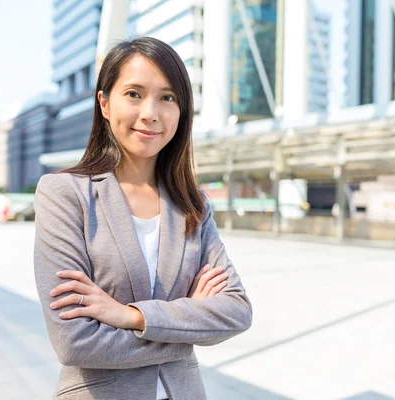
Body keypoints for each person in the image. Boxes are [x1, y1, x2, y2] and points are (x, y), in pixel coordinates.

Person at [33, 37, 252, 400]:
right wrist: (187, 324)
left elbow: (237, 312)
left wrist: (132, 316)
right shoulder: (65, 194)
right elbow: (75, 342)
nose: (150, 112)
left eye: (167, 98)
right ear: (104, 103)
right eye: (134, 94)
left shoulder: (192, 203)